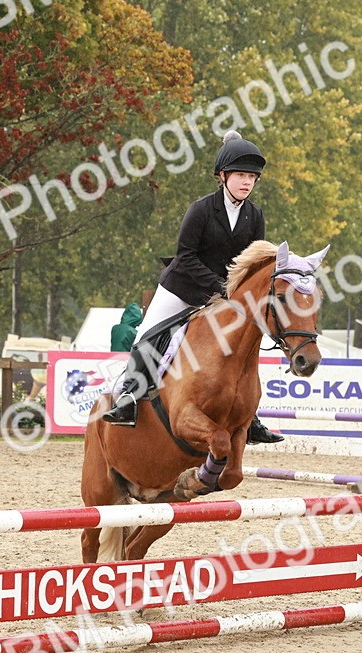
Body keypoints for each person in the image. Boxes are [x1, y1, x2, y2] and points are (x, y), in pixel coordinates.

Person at [102, 130, 284, 444]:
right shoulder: (201, 209)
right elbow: (186, 255)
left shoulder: (255, 216)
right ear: (223, 176)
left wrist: (242, 293)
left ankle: (249, 417)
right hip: (182, 288)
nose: (246, 182)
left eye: (252, 177)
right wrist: (220, 287)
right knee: (149, 333)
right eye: (240, 175)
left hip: (226, 295)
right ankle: (128, 397)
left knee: (243, 342)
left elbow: (254, 261)